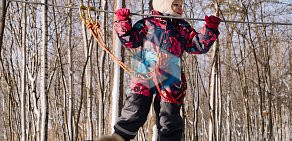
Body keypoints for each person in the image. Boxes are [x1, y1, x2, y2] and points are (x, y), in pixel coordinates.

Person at [99, 0, 220, 140]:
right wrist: (123, 22)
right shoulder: (148, 22)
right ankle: (118, 138)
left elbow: (197, 46)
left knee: (169, 115)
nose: (180, 8)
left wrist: (210, 29)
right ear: (163, 4)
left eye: (181, 5)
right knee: (135, 107)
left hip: (171, 69)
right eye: (176, 4)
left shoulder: (183, 27)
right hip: (146, 67)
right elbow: (130, 40)